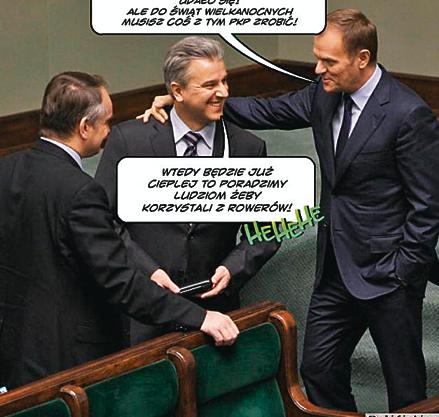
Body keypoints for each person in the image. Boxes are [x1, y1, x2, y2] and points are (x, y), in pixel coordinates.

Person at [141, 11, 439, 411]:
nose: (318, 69)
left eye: (329, 61)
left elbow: (428, 205)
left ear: (362, 58)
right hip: (335, 268)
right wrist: (192, 102)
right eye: (317, 58)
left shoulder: (407, 113)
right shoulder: (324, 93)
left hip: (389, 274)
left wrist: (404, 270)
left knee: (406, 388)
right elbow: (268, 111)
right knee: (318, 369)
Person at [0, 71, 239, 390]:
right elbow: (121, 282)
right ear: (84, 127)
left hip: (14, 349)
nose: (109, 131)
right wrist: (200, 317)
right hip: (69, 362)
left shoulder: (6, 169)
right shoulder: (80, 191)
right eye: (106, 122)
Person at [95, 37, 279, 345]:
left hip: (215, 310)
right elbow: (103, 221)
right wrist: (148, 270)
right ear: (177, 91)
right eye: (209, 85)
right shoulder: (130, 141)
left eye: (224, 81)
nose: (223, 92)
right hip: (140, 310)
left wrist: (233, 268)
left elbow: (269, 229)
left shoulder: (247, 148)